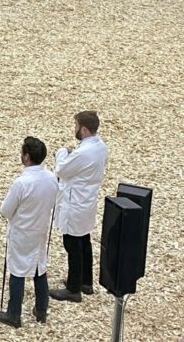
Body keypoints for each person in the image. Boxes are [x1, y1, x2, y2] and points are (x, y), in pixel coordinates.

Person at [0, 136, 57, 329]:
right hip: (41, 229)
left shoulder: (21, 183)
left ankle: (14, 314)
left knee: (17, 270)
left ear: (27, 157)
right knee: (39, 268)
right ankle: (41, 309)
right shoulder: (51, 178)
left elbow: (6, 211)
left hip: (22, 231)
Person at [49, 111, 109, 303]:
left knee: (72, 243)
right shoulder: (100, 147)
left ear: (83, 129)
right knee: (84, 239)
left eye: (75, 126)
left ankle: (73, 289)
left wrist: (61, 153)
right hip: (87, 199)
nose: (74, 129)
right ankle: (86, 281)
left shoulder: (83, 152)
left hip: (74, 202)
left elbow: (61, 170)